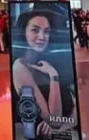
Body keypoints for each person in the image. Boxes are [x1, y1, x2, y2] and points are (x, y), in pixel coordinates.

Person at [11, 8, 77, 138]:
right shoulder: (20, 67)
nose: (42, 37)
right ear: (23, 32)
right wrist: (53, 76)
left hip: (65, 133)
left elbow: (75, 108)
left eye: (46, 32)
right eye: (35, 30)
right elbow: (54, 120)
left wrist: (65, 126)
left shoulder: (53, 60)